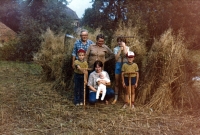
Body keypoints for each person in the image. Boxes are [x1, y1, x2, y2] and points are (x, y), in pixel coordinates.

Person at [112, 37, 129, 104]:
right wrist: (119, 50)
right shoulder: (115, 49)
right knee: (117, 82)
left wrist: (124, 47)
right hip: (118, 65)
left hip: (125, 65)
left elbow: (127, 56)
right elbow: (116, 58)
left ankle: (126, 98)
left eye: (121, 41)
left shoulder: (127, 48)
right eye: (118, 41)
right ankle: (115, 98)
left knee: (125, 82)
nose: (120, 42)